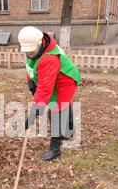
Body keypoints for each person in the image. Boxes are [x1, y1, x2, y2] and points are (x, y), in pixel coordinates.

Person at [19, 26, 80, 161]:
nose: (29, 54)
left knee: (56, 110)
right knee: (62, 104)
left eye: (31, 51)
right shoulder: (37, 51)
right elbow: (31, 68)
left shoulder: (49, 59)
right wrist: (31, 84)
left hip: (65, 80)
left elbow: (45, 89)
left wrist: (34, 113)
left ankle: (55, 149)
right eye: (26, 51)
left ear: (39, 43)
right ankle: (69, 130)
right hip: (54, 77)